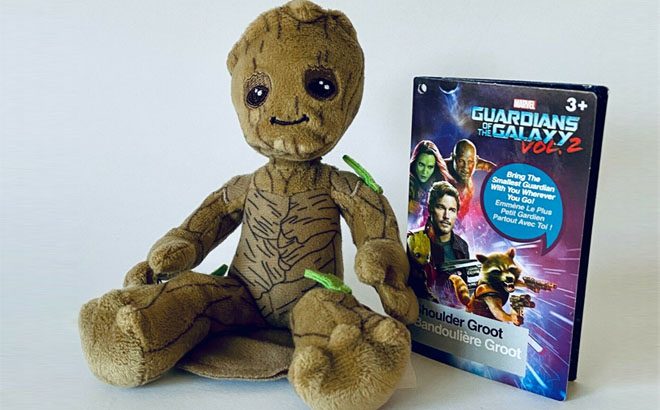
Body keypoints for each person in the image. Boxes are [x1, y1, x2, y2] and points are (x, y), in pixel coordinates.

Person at [444, 139, 496, 218]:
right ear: (453, 158)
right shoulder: (442, 166)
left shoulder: (476, 164)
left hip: (464, 206)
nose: (465, 168)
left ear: (476, 161)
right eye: (461, 161)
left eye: (470, 162)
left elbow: (495, 169)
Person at [408, 140, 453, 227]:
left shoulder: (439, 184)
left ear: (435, 167)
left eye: (430, 167)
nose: (424, 172)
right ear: (415, 162)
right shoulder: (408, 182)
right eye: (421, 164)